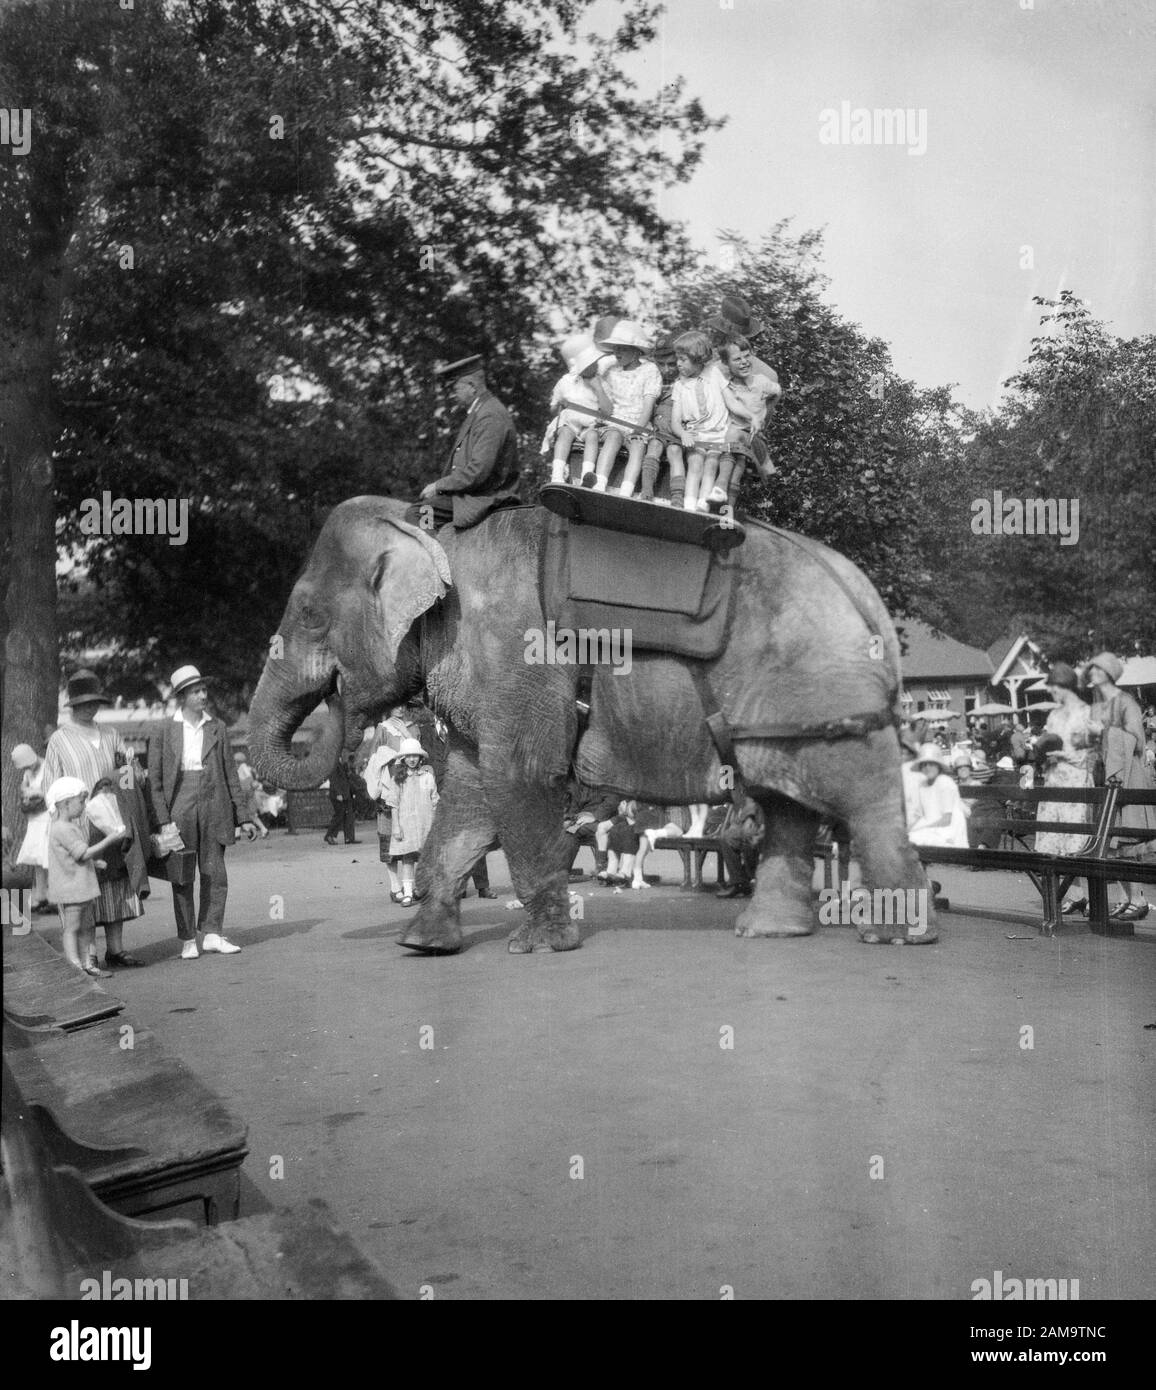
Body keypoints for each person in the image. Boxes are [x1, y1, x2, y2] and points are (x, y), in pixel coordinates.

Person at [148, 665, 257, 960]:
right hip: (179, 802)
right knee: (182, 873)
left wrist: (244, 816)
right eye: (196, 691)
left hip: (215, 801)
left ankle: (211, 933)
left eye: (204, 689)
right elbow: (155, 782)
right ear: (182, 696)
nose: (203, 695)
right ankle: (186, 939)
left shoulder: (216, 727)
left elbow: (230, 773)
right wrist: (163, 821)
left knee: (215, 871)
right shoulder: (163, 729)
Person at [43, 669, 148, 969]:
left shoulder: (111, 734)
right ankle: (88, 953)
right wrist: (60, 825)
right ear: (73, 705)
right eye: (85, 703)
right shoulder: (59, 740)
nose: (91, 708)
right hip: (76, 825)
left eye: (96, 702)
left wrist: (132, 769)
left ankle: (116, 948)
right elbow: (49, 786)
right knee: (84, 890)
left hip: (111, 819)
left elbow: (125, 770)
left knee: (116, 883)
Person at [407, 355, 522, 530]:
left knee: (419, 513)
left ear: (472, 386)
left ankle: (433, 557)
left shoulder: (490, 415)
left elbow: (478, 471)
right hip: (474, 495)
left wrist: (439, 485)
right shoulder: (481, 411)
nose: (453, 394)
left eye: (455, 388)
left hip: (485, 498)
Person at [1082, 651, 1154, 922]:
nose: (1093, 676)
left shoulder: (1126, 702)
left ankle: (1139, 898)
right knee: (1113, 841)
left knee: (1126, 839)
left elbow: (1135, 740)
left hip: (1127, 775)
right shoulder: (1097, 705)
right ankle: (1126, 898)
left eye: (1097, 671)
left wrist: (1103, 731)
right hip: (1108, 775)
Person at [1032, 665, 1096, 930]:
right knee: (1054, 842)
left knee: (1076, 841)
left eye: (1054, 688)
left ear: (1065, 686)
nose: (1053, 693)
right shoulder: (1054, 714)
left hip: (1075, 779)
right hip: (1054, 778)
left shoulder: (1085, 713)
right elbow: (1049, 741)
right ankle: (1074, 896)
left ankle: (1094, 899)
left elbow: (1089, 754)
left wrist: (1064, 755)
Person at [45, 776, 127, 977]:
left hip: (79, 887)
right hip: (73, 889)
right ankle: (76, 965)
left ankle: (85, 963)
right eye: (81, 801)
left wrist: (94, 862)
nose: (84, 806)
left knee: (85, 926)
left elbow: (75, 856)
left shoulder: (68, 827)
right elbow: (82, 853)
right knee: (73, 927)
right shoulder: (62, 829)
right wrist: (109, 839)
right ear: (65, 803)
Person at [670, 330, 749, 513]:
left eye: (683, 359)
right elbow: (675, 421)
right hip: (696, 436)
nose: (678, 364)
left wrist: (751, 416)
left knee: (712, 463)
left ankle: (703, 505)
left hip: (719, 436)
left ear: (697, 358)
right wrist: (683, 433)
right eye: (678, 359)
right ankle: (688, 506)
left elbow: (731, 401)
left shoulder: (714, 373)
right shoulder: (679, 386)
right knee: (696, 463)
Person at [583, 320, 661, 497]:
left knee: (638, 445)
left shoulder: (649, 369)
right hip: (616, 422)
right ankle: (599, 483)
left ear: (636, 351)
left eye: (623, 348)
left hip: (638, 422)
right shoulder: (611, 371)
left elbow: (648, 404)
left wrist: (637, 430)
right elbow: (608, 406)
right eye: (615, 348)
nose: (617, 352)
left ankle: (626, 490)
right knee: (613, 435)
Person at [716, 336, 779, 506]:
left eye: (747, 356)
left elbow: (778, 392)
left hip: (751, 437)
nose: (744, 362)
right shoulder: (727, 386)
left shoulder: (761, 380)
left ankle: (720, 487)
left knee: (737, 445)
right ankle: (726, 510)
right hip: (731, 440)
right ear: (726, 363)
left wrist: (764, 414)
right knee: (737, 466)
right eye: (737, 359)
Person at [543, 335, 611, 485]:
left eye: (595, 362)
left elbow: (607, 411)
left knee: (593, 436)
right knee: (565, 433)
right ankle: (557, 475)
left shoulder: (601, 381)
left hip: (590, 424)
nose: (594, 366)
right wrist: (559, 405)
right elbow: (553, 407)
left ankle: (586, 475)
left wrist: (598, 389)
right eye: (589, 363)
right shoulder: (565, 382)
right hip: (570, 423)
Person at [381, 738, 439, 906]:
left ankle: (422, 890)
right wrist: (396, 827)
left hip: (425, 824)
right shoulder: (398, 779)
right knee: (407, 859)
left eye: (415, 756)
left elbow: (435, 801)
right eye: (409, 756)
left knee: (426, 859)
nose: (412, 759)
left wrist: (436, 824)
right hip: (406, 825)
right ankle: (407, 893)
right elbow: (394, 805)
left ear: (421, 758)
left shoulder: (428, 777)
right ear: (404, 759)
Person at [12, 743, 52, 914]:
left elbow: (50, 790)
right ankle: (41, 895)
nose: (27, 768)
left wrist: (36, 792)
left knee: (47, 857)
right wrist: (27, 792)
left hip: (46, 815)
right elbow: (23, 789)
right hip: (34, 817)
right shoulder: (28, 772)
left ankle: (52, 895)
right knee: (37, 858)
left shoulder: (47, 767)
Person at [907, 744, 970, 848]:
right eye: (924, 764)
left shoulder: (945, 782)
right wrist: (910, 828)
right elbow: (920, 815)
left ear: (938, 766)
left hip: (949, 830)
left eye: (931, 764)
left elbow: (947, 819)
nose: (927, 767)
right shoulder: (922, 785)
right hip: (933, 828)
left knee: (913, 839)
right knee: (905, 838)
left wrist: (922, 828)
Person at [715, 796, 765, 899]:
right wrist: (747, 817)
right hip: (755, 816)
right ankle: (739, 883)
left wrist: (751, 817)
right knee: (728, 837)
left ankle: (751, 878)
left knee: (749, 838)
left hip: (774, 817)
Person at [323, 755, 359, 846]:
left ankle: (349, 838)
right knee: (340, 814)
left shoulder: (341, 764)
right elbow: (334, 779)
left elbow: (346, 778)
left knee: (348, 815)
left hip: (345, 794)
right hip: (338, 795)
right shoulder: (334, 764)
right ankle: (330, 835)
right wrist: (338, 793)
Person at [233, 752, 270, 838]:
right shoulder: (241, 768)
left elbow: (249, 780)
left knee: (250, 814)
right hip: (245, 793)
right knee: (241, 813)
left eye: (236, 761)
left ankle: (263, 829)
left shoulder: (243, 767)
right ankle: (237, 833)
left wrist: (243, 786)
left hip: (246, 793)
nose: (235, 763)